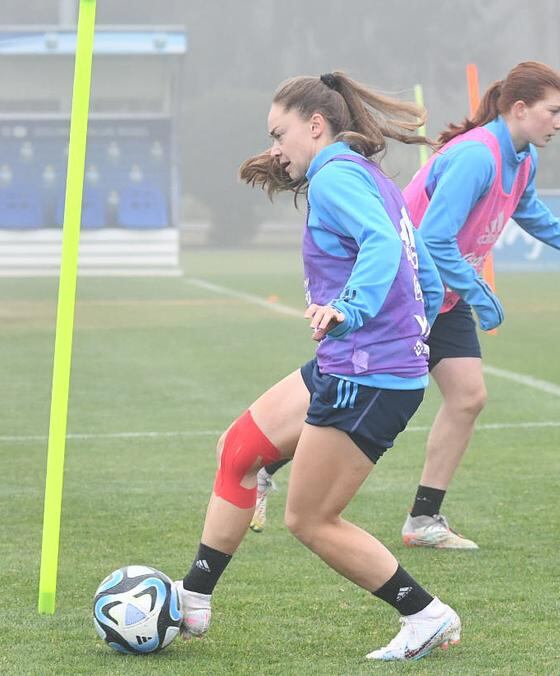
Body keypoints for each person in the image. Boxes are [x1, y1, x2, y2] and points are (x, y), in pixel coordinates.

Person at [174, 70, 461, 661]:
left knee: (311, 519)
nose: (275, 149)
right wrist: (415, 330)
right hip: (350, 364)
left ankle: (425, 614)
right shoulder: (362, 174)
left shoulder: (336, 179)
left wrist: (351, 311)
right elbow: (422, 271)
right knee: (239, 450)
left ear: (315, 124)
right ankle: (194, 600)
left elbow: (385, 246)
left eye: (280, 134)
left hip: (366, 377)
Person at [399, 60, 560, 549]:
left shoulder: (523, 158)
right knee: (354, 393)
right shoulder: (476, 157)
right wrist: (481, 291)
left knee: (468, 396)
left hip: (445, 291)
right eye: (554, 111)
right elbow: (433, 237)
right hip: (403, 289)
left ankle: (423, 521)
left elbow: (535, 217)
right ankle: (263, 458)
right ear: (520, 109)